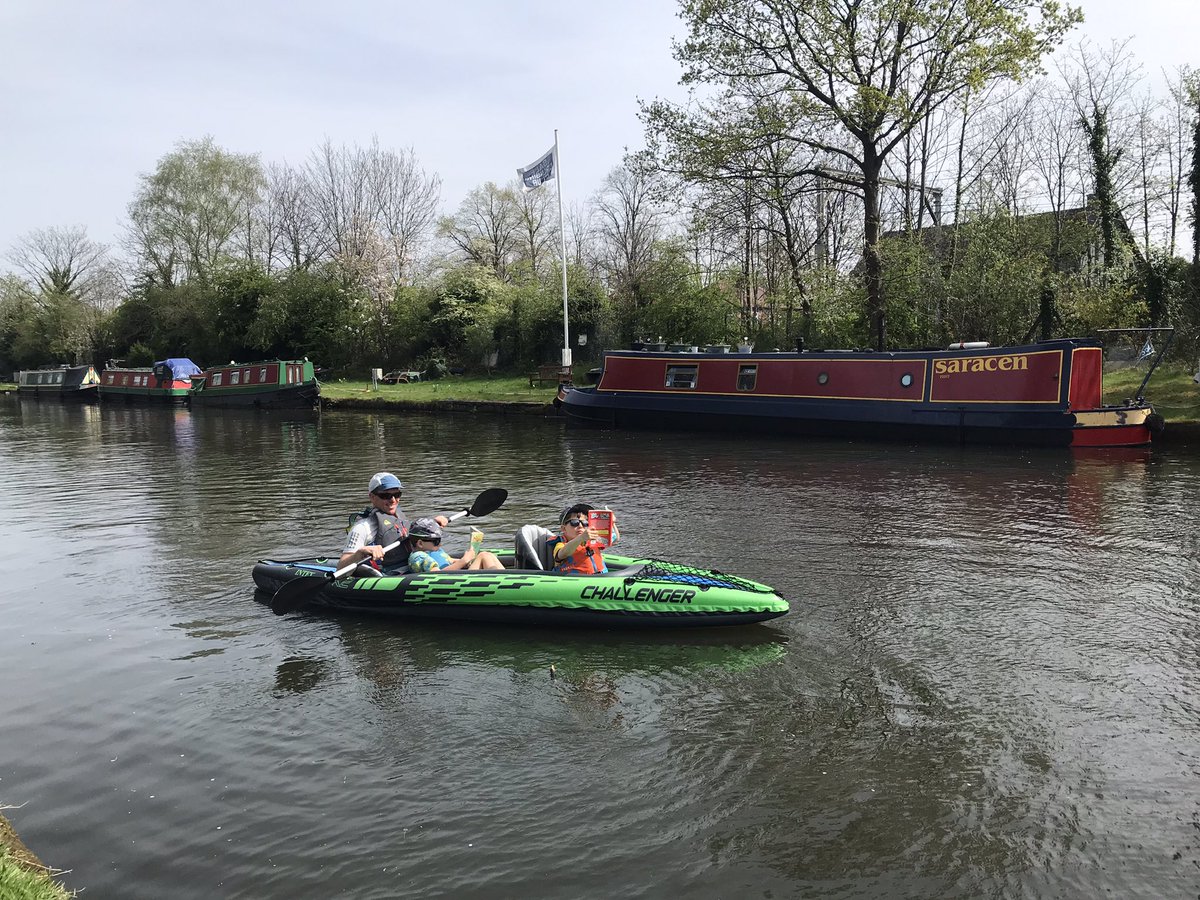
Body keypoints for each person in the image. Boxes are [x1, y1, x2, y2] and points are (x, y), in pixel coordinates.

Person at [338, 472, 449, 573]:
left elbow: (411, 533)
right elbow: (341, 569)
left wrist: (433, 523)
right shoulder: (362, 528)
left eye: (397, 495)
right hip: (390, 576)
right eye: (385, 496)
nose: (393, 500)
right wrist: (360, 553)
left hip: (412, 566)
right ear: (372, 497)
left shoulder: (399, 517)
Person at [406, 518, 505, 572]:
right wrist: (464, 560)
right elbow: (436, 575)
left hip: (458, 576)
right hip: (450, 583)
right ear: (420, 543)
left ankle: (507, 577)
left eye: (440, 540)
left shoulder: (435, 551)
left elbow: (451, 560)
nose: (440, 544)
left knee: (487, 555)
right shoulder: (419, 557)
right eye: (436, 541)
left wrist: (468, 561)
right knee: (483, 556)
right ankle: (503, 583)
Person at [547, 503, 620, 575]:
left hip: (600, 577)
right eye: (574, 522)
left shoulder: (593, 540)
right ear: (563, 529)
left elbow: (615, 539)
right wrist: (580, 538)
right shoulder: (561, 545)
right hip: (575, 582)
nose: (580, 526)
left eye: (585, 523)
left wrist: (612, 523)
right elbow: (563, 554)